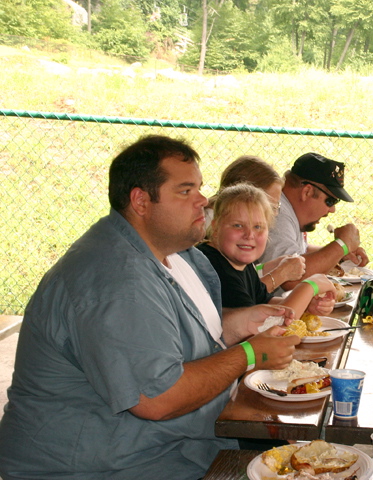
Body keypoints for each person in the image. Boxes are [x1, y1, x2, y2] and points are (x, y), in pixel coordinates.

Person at [0, 135, 301, 479]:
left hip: (169, 447)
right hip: (107, 465)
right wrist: (249, 354)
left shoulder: (177, 254)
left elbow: (175, 331)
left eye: (199, 188)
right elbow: (156, 398)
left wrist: (238, 322)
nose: (202, 200)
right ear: (141, 201)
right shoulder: (114, 277)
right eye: (185, 191)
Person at [197, 182, 336, 316]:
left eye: (258, 227)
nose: (249, 235)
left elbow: (265, 301)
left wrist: (306, 304)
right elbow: (258, 326)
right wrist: (309, 287)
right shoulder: (214, 266)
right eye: (238, 225)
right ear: (215, 227)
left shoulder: (240, 262)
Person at [259, 152, 369, 291]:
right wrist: (342, 245)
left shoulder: (290, 210)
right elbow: (292, 278)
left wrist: (339, 255)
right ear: (307, 192)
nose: (332, 209)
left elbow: (299, 252)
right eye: (330, 201)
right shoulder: (277, 214)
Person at [208, 155, 306, 294]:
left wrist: (267, 267)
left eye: (277, 206)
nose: (275, 214)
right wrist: (282, 275)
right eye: (270, 206)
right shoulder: (217, 238)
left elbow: (242, 277)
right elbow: (242, 298)